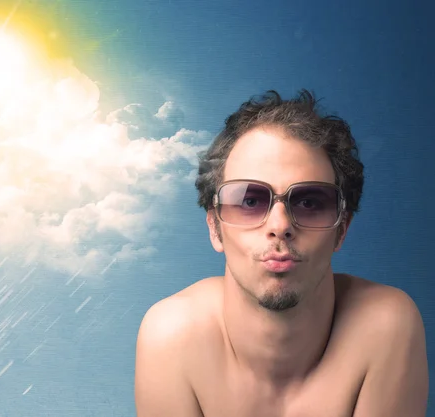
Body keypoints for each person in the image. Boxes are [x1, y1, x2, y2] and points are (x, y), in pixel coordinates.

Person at [134, 90, 429, 416]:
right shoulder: (172, 337)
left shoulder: (385, 325)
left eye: (309, 202)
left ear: (341, 230)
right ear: (214, 228)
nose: (280, 225)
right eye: (249, 200)